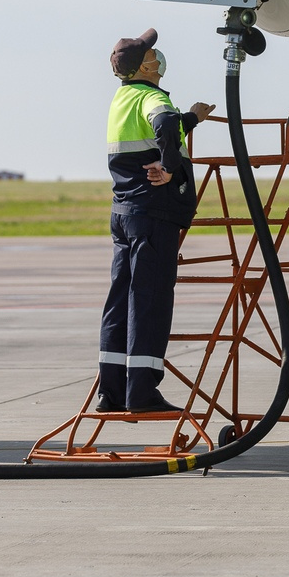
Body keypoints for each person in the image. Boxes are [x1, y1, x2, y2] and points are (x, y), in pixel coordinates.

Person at [98, 28, 215, 413]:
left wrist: (192, 119)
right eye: (151, 53)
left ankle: (111, 393)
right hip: (153, 212)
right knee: (149, 302)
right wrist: (168, 167)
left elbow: (163, 127)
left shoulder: (122, 98)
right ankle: (143, 394)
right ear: (146, 66)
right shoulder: (151, 97)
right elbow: (164, 125)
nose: (158, 57)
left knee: (120, 301)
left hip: (124, 212)